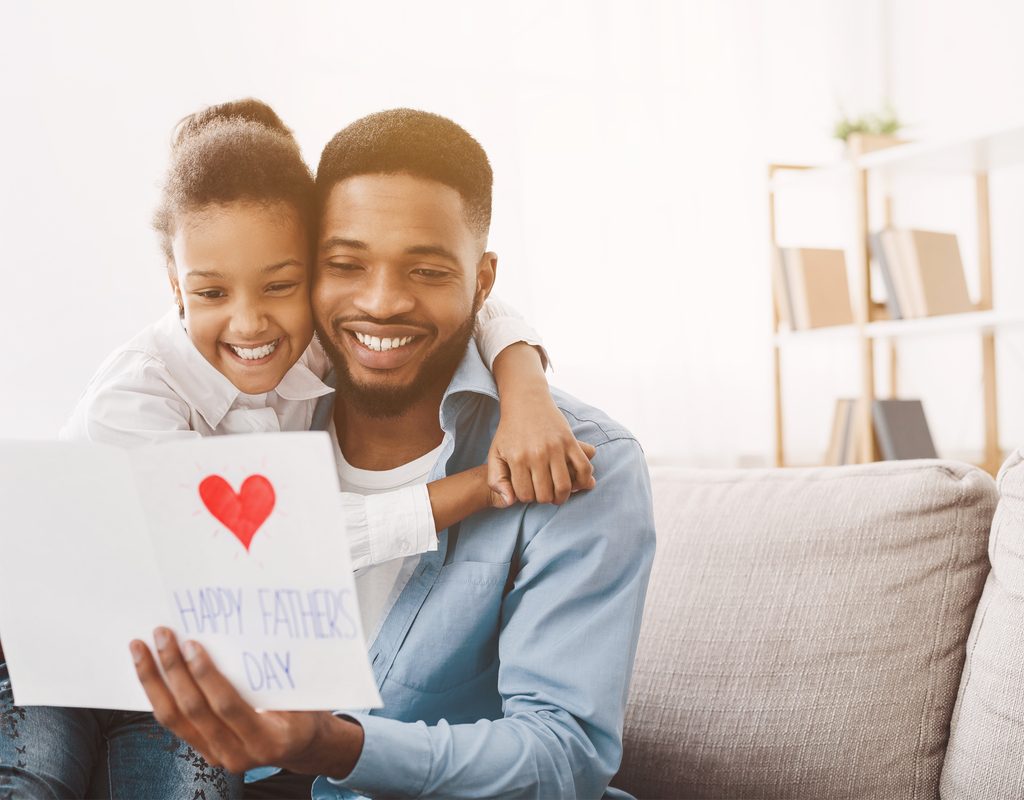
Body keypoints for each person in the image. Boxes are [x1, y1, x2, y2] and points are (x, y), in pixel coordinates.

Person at [0, 100, 594, 799]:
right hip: (51, 657)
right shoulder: (131, 402)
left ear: (311, 276)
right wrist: (476, 486)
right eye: (211, 291)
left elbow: (460, 296)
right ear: (175, 287)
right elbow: (288, 545)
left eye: (280, 285)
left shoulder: (315, 347)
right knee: (27, 782)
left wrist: (524, 385)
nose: (251, 321)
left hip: (185, 668)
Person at [132, 108, 656, 799]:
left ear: (483, 281)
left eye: (428, 271)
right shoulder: (250, 408)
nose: (381, 303)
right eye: (345, 265)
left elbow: (563, 757)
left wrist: (336, 746)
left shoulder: (581, 461)